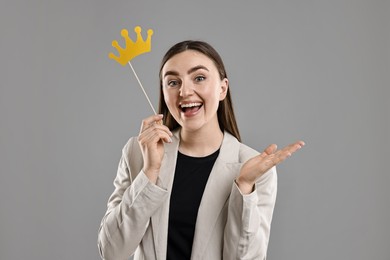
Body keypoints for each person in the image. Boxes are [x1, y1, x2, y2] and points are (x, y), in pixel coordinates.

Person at [97, 40, 304, 260]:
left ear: (222, 88)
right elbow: (112, 252)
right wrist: (149, 173)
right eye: (173, 82)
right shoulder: (138, 152)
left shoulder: (254, 168)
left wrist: (244, 187)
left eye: (199, 78)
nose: (185, 91)